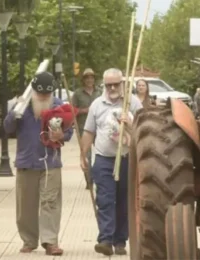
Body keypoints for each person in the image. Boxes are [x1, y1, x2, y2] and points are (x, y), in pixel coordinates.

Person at [3, 71, 73, 256]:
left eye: (47, 95)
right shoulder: (22, 106)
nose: (43, 98)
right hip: (26, 161)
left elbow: (69, 130)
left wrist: (62, 135)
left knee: (50, 202)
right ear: (33, 91)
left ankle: (50, 241)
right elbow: (7, 127)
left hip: (51, 162)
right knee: (26, 204)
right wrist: (14, 111)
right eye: (40, 94)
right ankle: (29, 240)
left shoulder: (58, 106)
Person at [80, 68, 143, 256]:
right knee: (105, 200)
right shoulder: (97, 105)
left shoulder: (133, 103)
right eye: (109, 85)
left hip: (127, 159)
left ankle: (120, 241)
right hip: (103, 159)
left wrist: (131, 125)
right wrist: (83, 154)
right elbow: (89, 131)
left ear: (123, 84)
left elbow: (143, 130)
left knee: (124, 201)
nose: (113, 87)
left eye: (116, 84)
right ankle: (105, 239)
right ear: (104, 85)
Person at [71, 68, 102, 190]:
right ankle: (89, 181)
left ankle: (100, 178)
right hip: (84, 128)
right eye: (87, 78)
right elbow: (72, 111)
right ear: (83, 80)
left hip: (99, 128)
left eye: (91, 77)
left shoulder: (99, 92)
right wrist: (85, 110)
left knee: (101, 154)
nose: (90, 80)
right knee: (86, 155)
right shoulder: (77, 94)